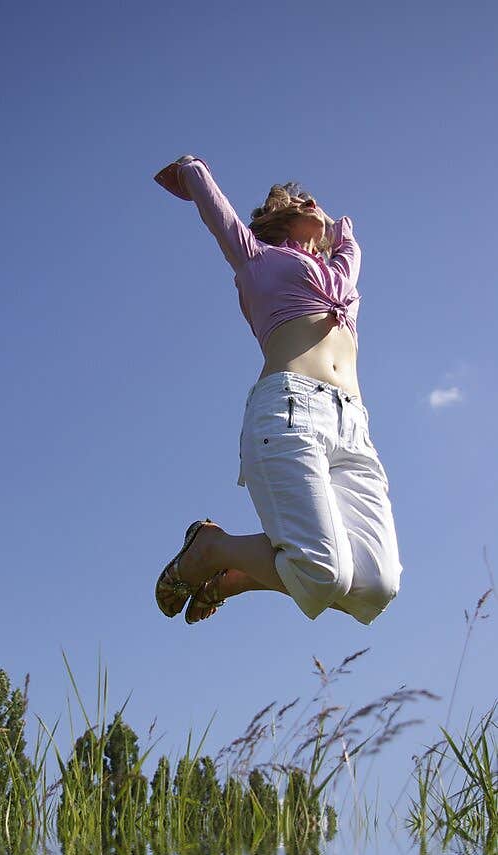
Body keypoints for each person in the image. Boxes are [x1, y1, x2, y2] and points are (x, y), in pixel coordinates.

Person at [153, 158, 402, 626]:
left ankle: (241, 576)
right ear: (278, 220)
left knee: (376, 585)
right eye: (302, 203)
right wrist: (192, 172)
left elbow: (351, 249)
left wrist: (335, 228)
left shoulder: (339, 275)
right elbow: (218, 214)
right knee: (325, 573)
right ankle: (212, 548)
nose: (314, 204)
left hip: (353, 427)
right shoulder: (258, 261)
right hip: (292, 410)